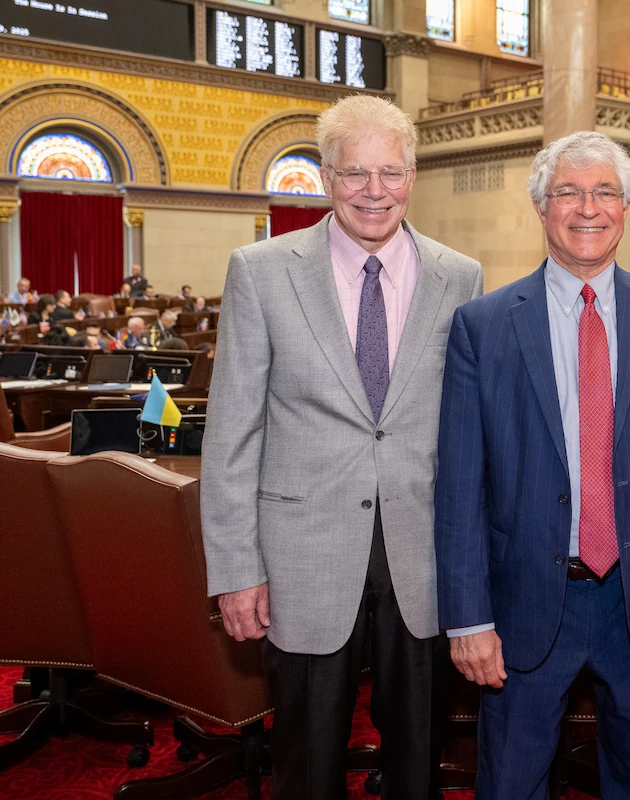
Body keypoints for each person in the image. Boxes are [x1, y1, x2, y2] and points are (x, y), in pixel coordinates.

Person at [201, 94, 482, 800]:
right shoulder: (260, 270)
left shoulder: (460, 276)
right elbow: (233, 431)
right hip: (302, 553)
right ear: (325, 177)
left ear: (413, 174)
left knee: (418, 756)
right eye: (355, 174)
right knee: (308, 755)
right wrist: (235, 568)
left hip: (421, 552)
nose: (374, 191)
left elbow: (467, 429)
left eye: (390, 172)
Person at [435, 130, 630, 799]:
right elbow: (459, 489)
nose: (586, 208)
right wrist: (469, 618)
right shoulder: (483, 326)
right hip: (526, 601)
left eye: (603, 192)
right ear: (541, 208)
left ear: (625, 207)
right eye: (568, 191)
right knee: (510, 782)